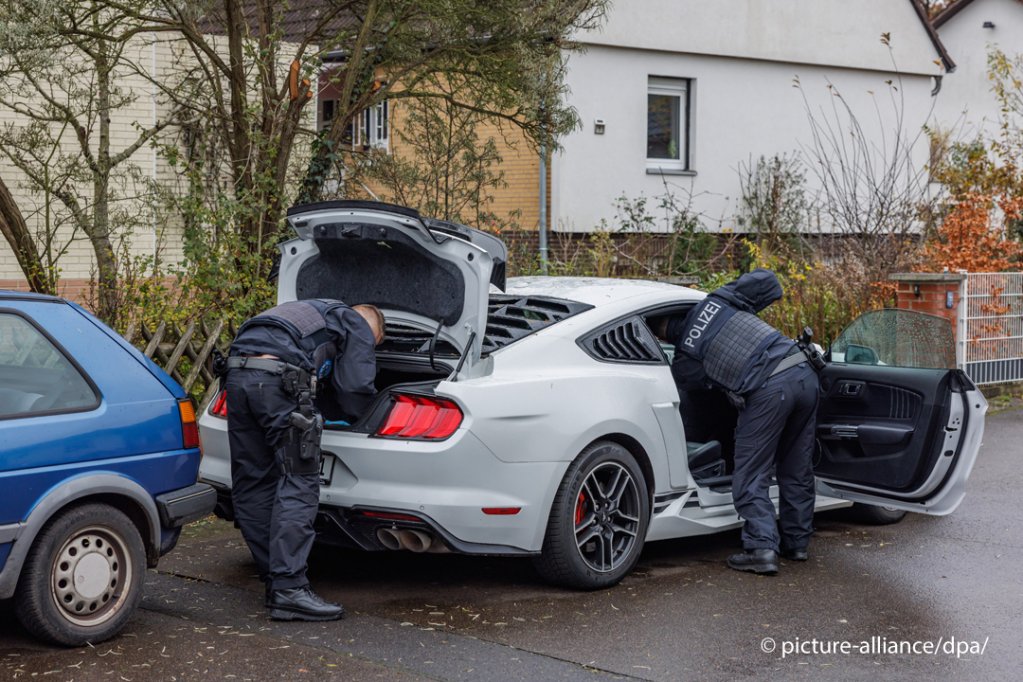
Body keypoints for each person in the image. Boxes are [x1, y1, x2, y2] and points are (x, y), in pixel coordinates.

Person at [225, 299, 385, 620]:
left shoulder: (304, 312)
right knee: (299, 478)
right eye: (374, 343)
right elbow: (354, 388)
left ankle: (275, 577)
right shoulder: (354, 321)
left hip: (236, 375)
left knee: (254, 479)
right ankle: (289, 589)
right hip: (278, 382)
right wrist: (348, 416)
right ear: (373, 328)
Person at [657, 268, 819, 575]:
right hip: (804, 371)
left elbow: (695, 395)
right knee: (796, 467)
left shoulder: (684, 359)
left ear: (663, 336)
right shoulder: (718, 300)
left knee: (750, 472)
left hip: (770, 389)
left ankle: (761, 549)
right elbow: (770, 281)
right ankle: (796, 544)